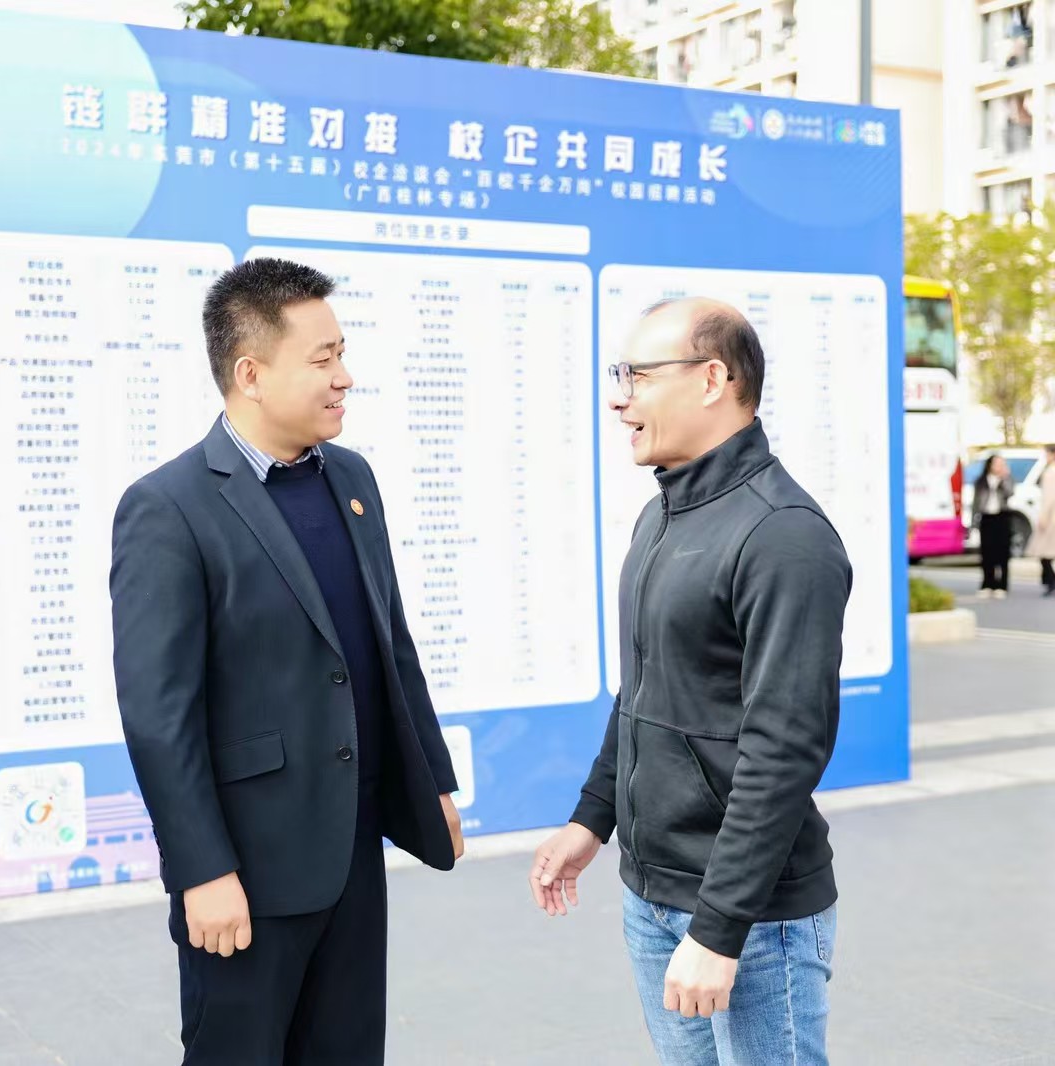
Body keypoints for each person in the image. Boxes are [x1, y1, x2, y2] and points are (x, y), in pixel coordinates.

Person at [109, 257, 465, 1065]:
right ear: (251, 374)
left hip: (351, 851)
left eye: (342, 354)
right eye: (323, 359)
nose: (345, 377)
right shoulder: (168, 508)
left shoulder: (352, 478)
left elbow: (389, 644)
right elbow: (159, 716)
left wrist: (433, 780)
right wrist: (201, 871)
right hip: (248, 871)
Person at [529, 298, 851, 1066]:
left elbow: (785, 748)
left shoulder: (783, 535)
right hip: (653, 897)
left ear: (711, 380)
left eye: (637, 376)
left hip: (752, 920)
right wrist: (592, 819)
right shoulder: (661, 517)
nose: (620, 399)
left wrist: (719, 928)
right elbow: (644, 690)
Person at [974, 453, 1015, 599]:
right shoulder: (981, 481)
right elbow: (976, 503)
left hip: (1002, 517)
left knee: (1002, 553)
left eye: (1001, 463)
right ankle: (987, 584)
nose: (999, 466)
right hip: (987, 518)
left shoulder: (1006, 479)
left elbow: (1010, 493)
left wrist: (1004, 478)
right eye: (996, 463)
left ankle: (1002, 585)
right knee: (987, 553)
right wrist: (974, 522)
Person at [1027, 444, 1055, 596]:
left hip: (1051, 517)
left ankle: (1050, 580)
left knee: (1044, 552)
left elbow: (1049, 498)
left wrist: (1043, 517)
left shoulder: (1050, 472)